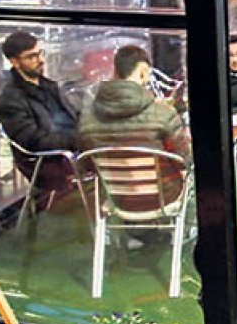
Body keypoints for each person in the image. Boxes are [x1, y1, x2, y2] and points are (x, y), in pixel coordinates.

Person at [78, 45, 191, 246]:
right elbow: (185, 159)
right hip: (163, 197)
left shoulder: (87, 117)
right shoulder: (163, 113)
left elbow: (87, 165)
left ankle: (135, 234)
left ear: (116, 71)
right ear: (143, 72)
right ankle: (182, 230)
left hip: (115, 197)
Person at [0, 31, 80, 197]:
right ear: (14, 62)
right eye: (31, 56)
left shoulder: (50, 87)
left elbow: (74, 115)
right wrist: (77, 141)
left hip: (73, 150)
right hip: (51, 160)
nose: (41, 60)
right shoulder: (10, 101)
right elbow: (35, 141)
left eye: (40, 53)